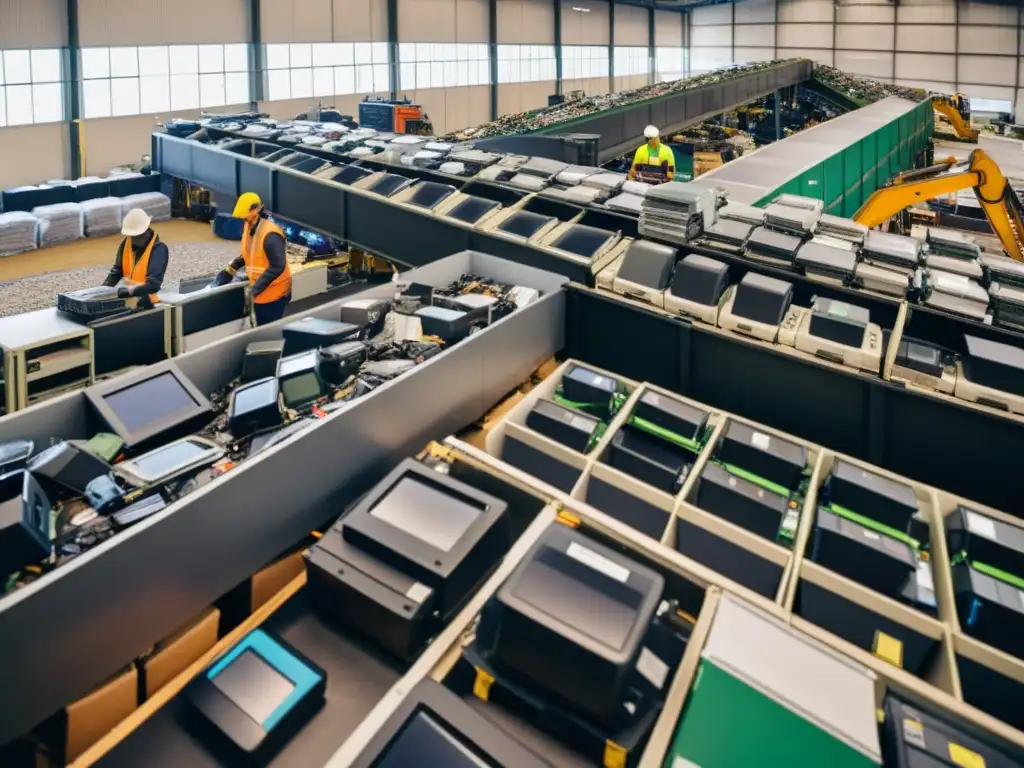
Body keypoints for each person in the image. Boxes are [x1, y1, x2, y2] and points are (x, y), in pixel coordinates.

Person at [213, 192, 292, 326]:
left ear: (255, 210)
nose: (243, 219)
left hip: (274, 293)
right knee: (260, 326)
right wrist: (231, 268)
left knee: (267, 332)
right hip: (261, 292)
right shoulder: (250, 225)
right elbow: (250, 252)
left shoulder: (270, 235)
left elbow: (278, 266)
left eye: (245, 216)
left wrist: (254, 289)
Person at [102, 208, 168, 308]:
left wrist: (131, 291)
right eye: (132, 236)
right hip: (130, 302)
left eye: (137, 235)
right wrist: (102, 291)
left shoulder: (159, 250)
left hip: (150, 304)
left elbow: (153, 285)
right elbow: (117, 271)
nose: (133, 240)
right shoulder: (126, 244)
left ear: (146, 231)